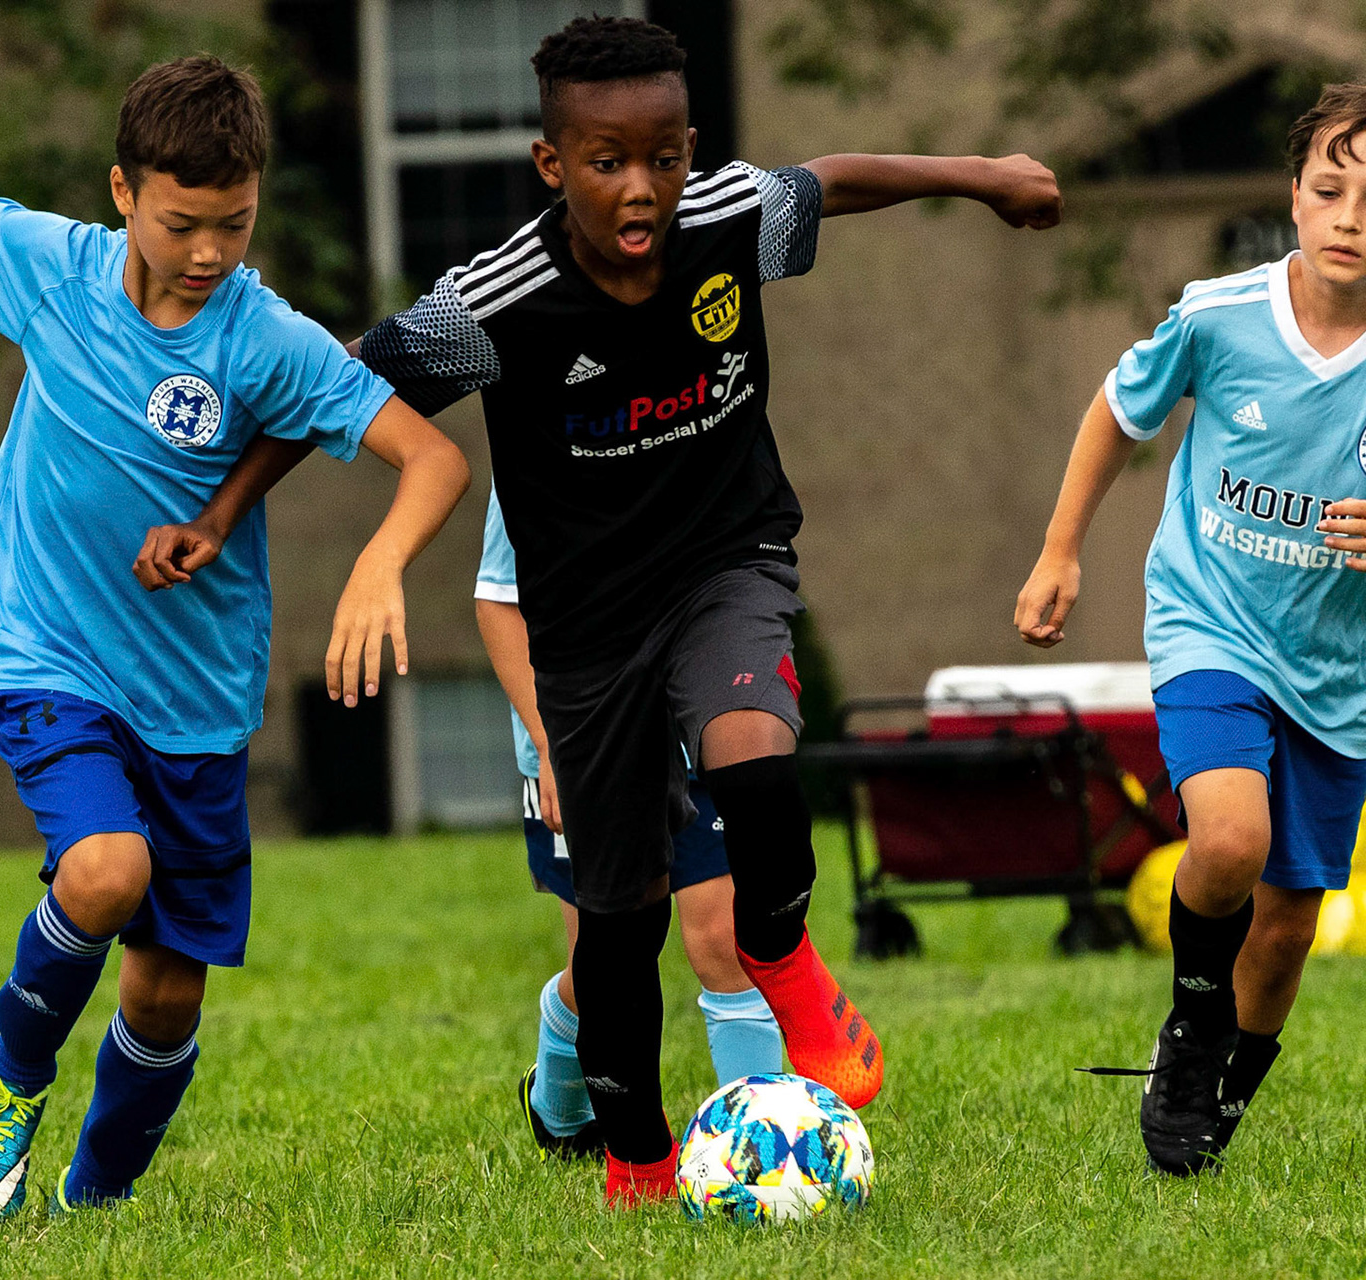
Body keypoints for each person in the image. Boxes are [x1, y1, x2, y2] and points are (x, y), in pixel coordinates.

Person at [142, 16, 1062, 1206]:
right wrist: (220, 513)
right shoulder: (496, 299)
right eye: (606, 162)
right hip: (585, 631)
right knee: (617, 920)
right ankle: (636, 1160)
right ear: (551, 164)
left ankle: (785, 957)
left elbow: (832, 181)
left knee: (756, 764)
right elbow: (342, 387)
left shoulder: (727, 216)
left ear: (692, 148)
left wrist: (985, 179)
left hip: (728, 565)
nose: (642, 190)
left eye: (664, 158)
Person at [0, 56, 470, 1217]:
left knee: (167, 996)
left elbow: (432, 457)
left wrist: (379, 563)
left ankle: (94, 1206)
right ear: (123, 191)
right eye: (184, 223)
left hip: (195, 692)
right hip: (42, 645)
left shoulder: (264, 338)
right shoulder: (54, 271)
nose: (211, 250)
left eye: (235, 221)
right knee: (106, 871)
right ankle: (11, 1081)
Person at [1016, 84, 1366, 1177]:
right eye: (1330, 189)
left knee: (1290, 924)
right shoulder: (1219, 314)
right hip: (1210, 616)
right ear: (1293, 196)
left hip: (1339, 667)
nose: (1352, 216)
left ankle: (1228, 1088)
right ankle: (1188, 1033)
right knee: (1226, 839)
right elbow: (1118, 412)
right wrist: (1061, 548)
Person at [475, 484, 780, 1160]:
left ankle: (760, 1150)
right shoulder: (542, 446)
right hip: (585, 742)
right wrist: (553, 744)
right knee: (604, 969)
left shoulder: (697, 430)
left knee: (727, 940)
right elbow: (499, 603)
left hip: (693, 731)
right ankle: (557, 1108)